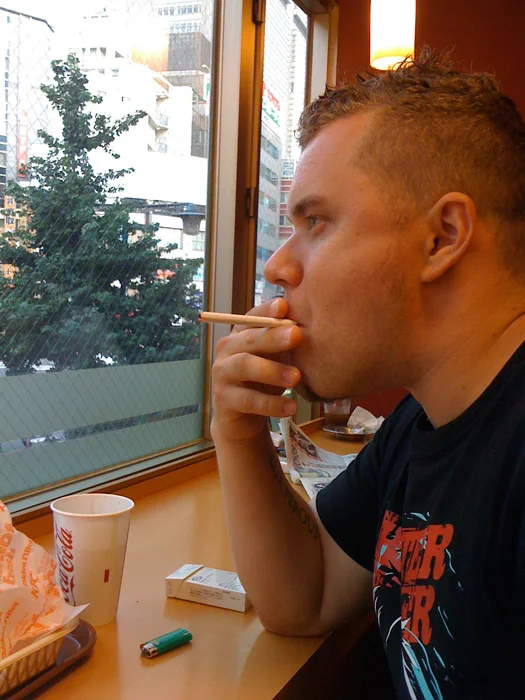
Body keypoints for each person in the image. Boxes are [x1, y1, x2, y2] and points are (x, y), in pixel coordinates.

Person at [210, 48, 525, 698]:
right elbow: (306, 598)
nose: (277, 267)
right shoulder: (419, 420)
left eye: (316, 222)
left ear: (442, 237)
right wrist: (237, 434)